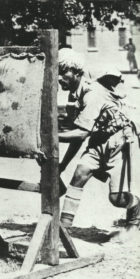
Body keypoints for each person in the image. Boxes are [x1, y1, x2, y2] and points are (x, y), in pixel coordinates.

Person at [58, 48, 140, 231]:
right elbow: (80, 136)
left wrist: (51, 138)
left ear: (77, 73)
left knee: (117, 199)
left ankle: (136, 209)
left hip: (120, 142)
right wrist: (62, 166)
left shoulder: (92, 93)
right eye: (57, 73)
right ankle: (63, 228)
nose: (59, 78)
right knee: (79, 174)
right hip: (98, 140)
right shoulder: (75, 95)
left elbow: (80, 134)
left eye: (64, 72)